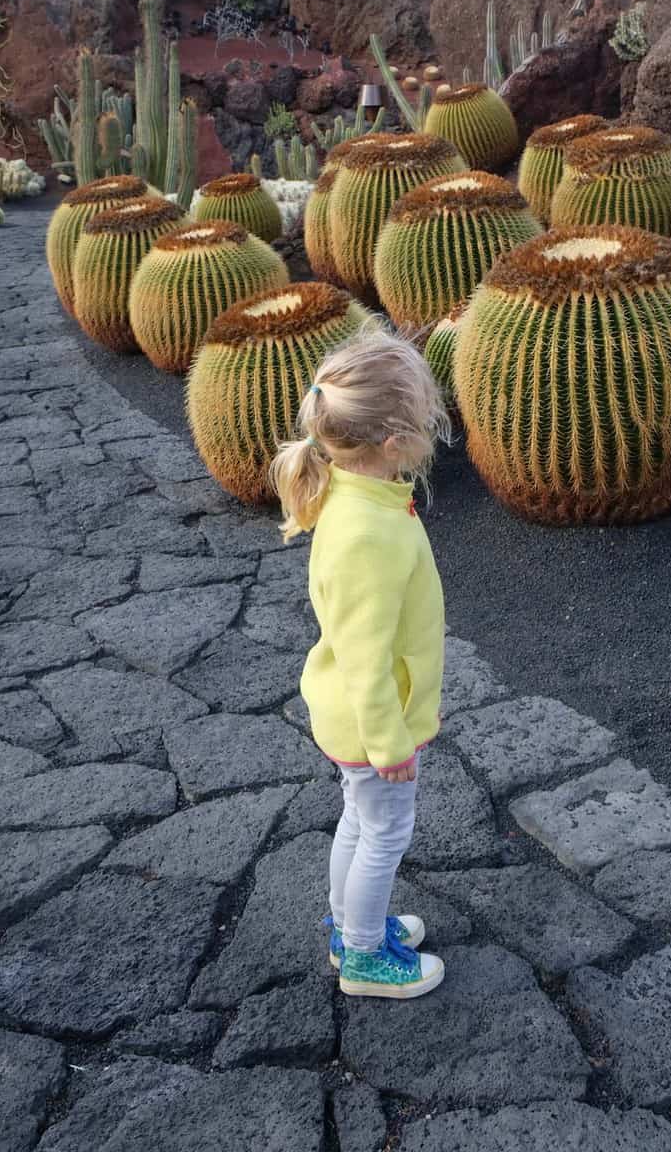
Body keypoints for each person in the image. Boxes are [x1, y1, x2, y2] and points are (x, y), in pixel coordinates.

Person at [270, 329, 450, 999]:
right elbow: (367, 657)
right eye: (427, 414)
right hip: (371, 721)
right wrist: (388, 742)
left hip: (352, 715)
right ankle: (367, 958)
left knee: (361, 818)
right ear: (395, 443)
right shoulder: (368, 533)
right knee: (385, 829)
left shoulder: (356, 496)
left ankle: (352, 930)